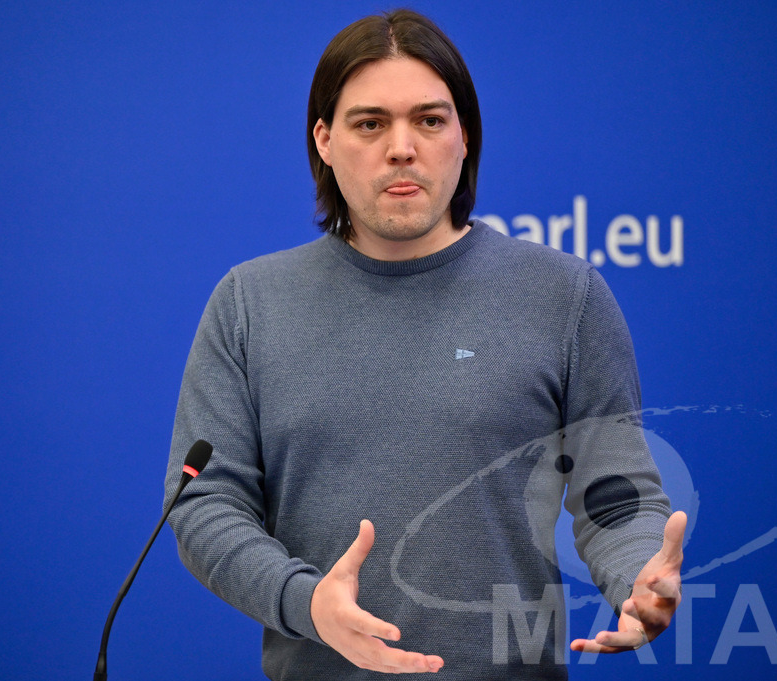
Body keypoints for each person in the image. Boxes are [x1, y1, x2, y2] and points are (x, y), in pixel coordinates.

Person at [165, 9, 686, 680]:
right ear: (324, 141)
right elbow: (206, 504)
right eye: (370, 123)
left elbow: (615, 497)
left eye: (430, 121)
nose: (402, 147)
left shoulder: (565, 296)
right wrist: (307, 602)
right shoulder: (248, 304)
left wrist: (638, 572)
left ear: (464, 137)